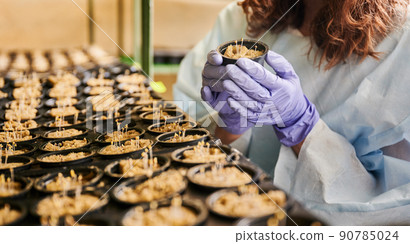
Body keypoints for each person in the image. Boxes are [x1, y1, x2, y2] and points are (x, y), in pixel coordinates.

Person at [174, 0, 410, 225]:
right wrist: (226, 125)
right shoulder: (241, 17)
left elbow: (390, 207)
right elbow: (178, 144)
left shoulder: (401, 41)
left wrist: (302, 128)